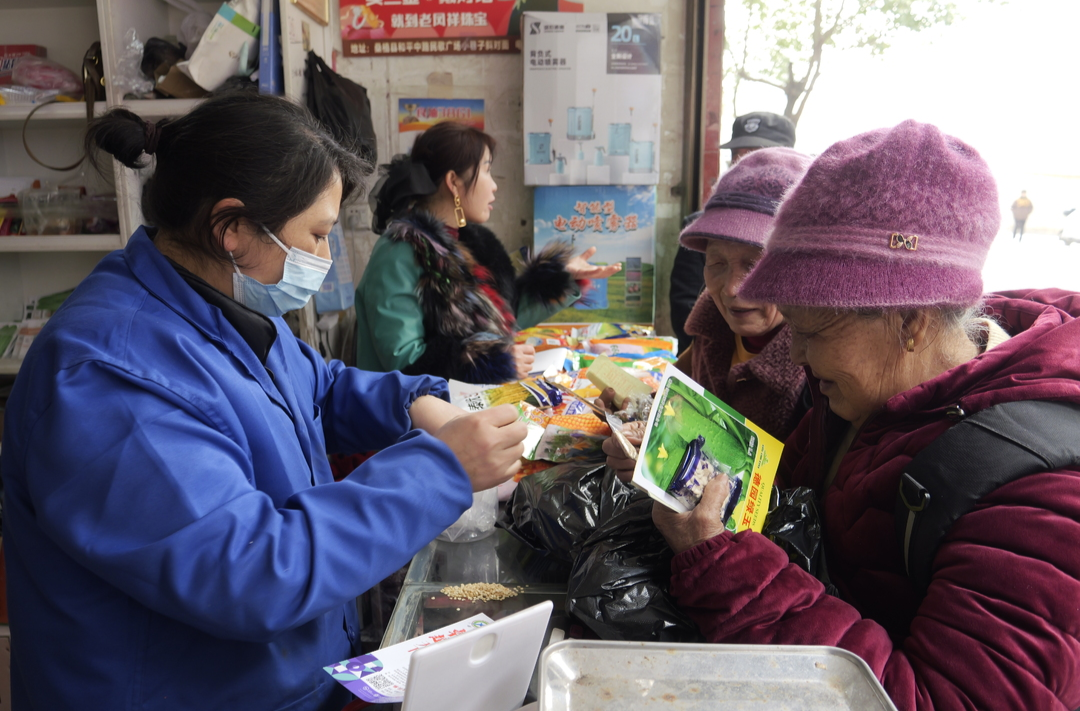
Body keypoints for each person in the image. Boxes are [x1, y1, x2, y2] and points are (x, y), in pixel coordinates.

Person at [0, 92, 528, 710]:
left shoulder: (222, 304)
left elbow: (320, 387)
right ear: (233, 230)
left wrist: (419, 401)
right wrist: (440, 470)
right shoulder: (104, 379)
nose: (325, 260)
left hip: (284, 677)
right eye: (317, 235)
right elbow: (250, 572)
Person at [653, 121, 1080, 709]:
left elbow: (935, 699)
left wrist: (729, 570)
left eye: (812, 330)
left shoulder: (1039, 496)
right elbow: (785, 502)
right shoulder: (858, 393)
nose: (796, 355)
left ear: (913, 320)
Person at [356, 122, 620, 383]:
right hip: (407, 419)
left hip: (458, 407)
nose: (494, 186)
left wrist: (562, 276)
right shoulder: (400, 252)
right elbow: (404, 363)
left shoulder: (471, 241)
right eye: (486, 171)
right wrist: (491, 360)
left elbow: (503, 313)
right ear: (453, 182)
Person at [672, 147, 812, 440]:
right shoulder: (710, 330)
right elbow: (670, 399)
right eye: (717, 263)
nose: (732, 288)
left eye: (755, 265)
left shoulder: (819, 374)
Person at [670, 111, 797, 351]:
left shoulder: (821, 368)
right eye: (738, 158)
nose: (731, 288)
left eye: (755, 265)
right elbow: (683, 300)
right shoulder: (708, 338)